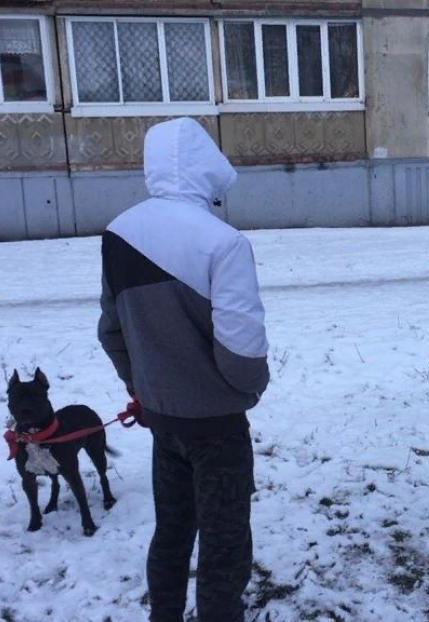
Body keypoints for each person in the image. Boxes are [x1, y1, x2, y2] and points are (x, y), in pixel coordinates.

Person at [98, 117, 269, 621]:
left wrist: (144, 388)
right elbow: (242, 355)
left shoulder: (119, 233)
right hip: (216, 426)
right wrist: (248, 391)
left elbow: (111, 332)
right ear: (206, 170)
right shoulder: (223, 242)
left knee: (171, 531)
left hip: (162, 418)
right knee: (224, 543)